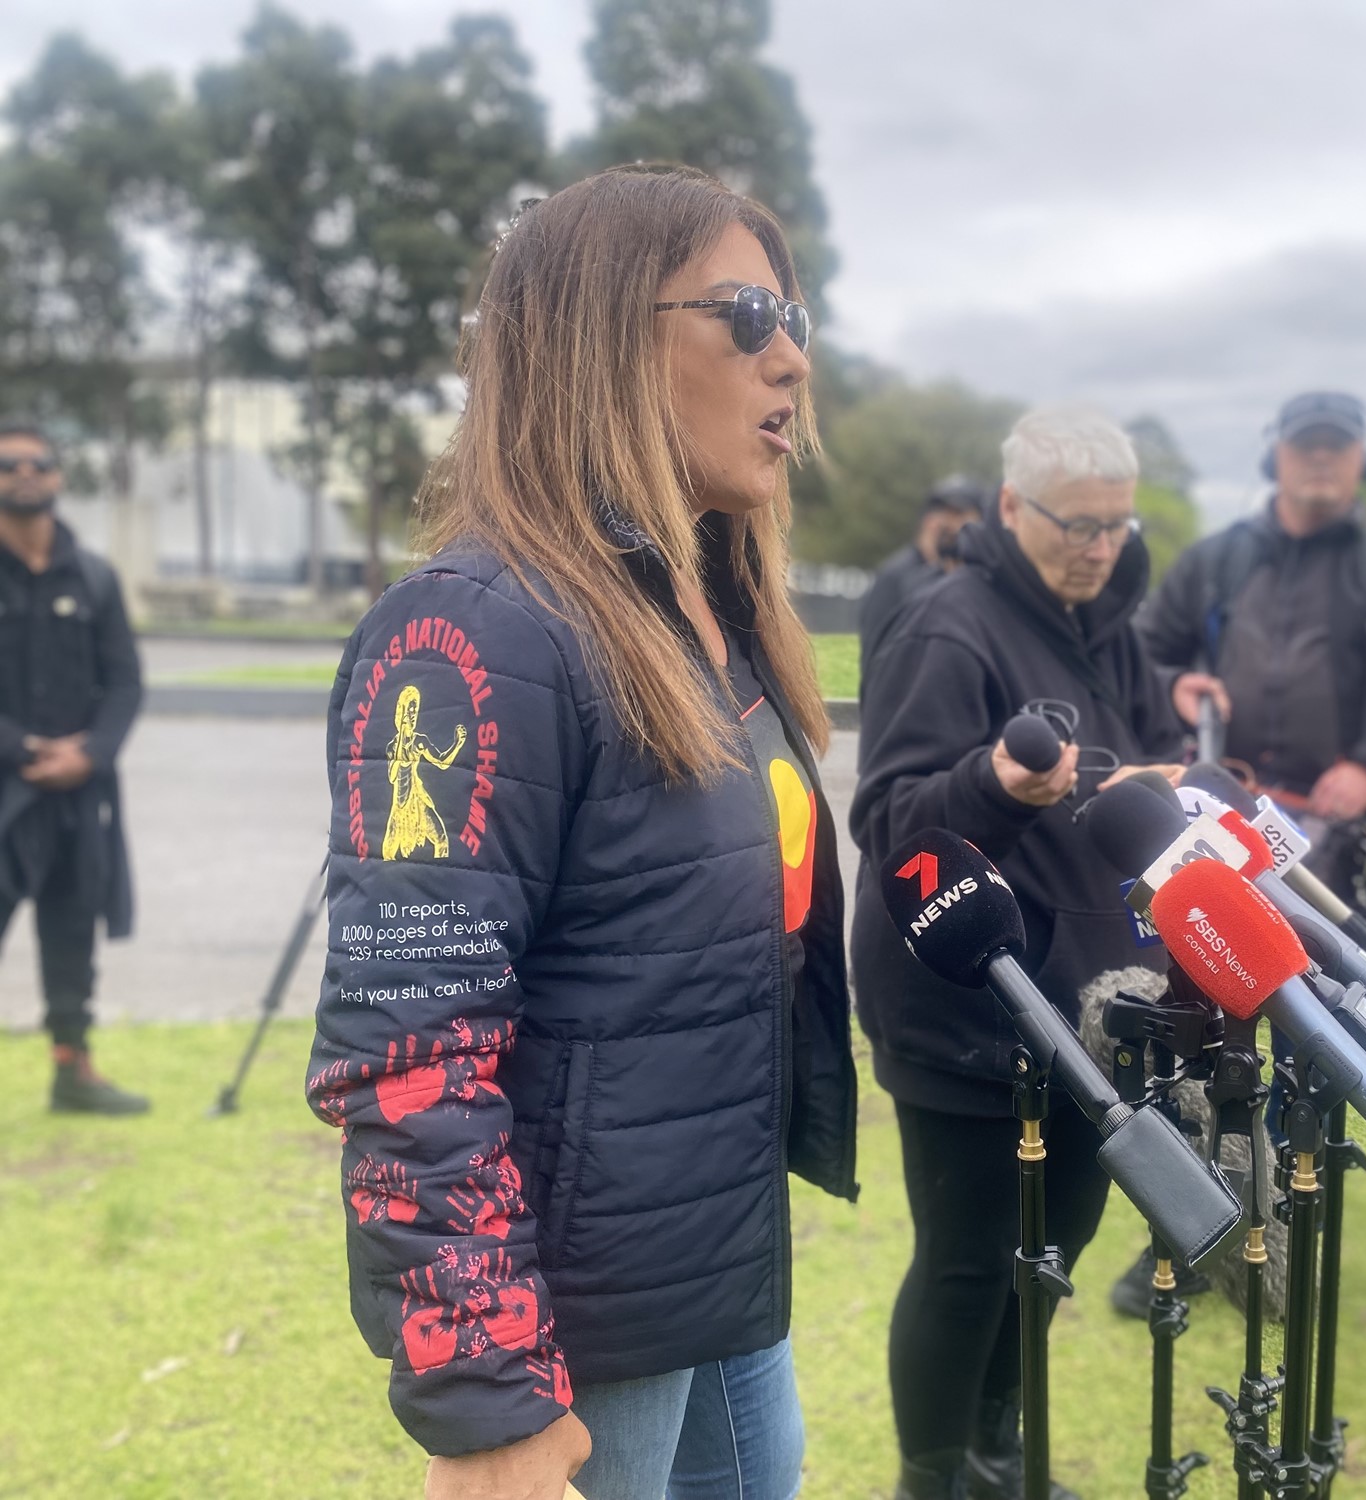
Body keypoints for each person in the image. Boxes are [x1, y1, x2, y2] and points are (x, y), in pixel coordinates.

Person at [304, 165, 857, 1500]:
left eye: (796, 316)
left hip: (711, 1263)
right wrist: (485, 1393)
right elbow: (409, 1056)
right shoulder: (476, 633)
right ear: (602, 336)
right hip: (577, 1310)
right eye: (746, 313)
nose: (791, 357)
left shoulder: (711, 624)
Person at [850, 406, 1191, 1500]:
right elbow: (891, 820)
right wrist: (993, 788)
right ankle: (933, 1476)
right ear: (1009, 508)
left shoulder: (1113, 627)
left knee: (1061, 1242)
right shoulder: (947, 627)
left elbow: (1130, 771)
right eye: (1074, 526)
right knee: (967, 1261)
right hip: (966, 1000)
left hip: (1092, 1008)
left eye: (1115, 527)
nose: (1099, 549)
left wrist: (1160, 787)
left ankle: (996, 1450)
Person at [1133, 389, 1366, 1309]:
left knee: (1316, 1040)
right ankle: (1194, 1213)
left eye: (1338, 447)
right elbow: (1141, 657)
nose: (1320, 462)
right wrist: (1175, 684)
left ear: (1365, 459)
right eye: (1304, 446)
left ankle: (1290, 1213)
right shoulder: (1215, 565)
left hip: (1329, 856)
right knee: (1199, 1036)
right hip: (1212, 840)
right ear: (1274, 454)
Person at [0, 418, 146, 1115]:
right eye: (9, 466)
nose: (25, 473)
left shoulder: (93, 576)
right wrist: (25, 750)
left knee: (70, 935)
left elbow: (125, 683)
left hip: (78, 794)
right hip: (8, 788)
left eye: (39, 463)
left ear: (58, 477)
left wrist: (89, 753)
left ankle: (73, 1070)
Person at [857, 475, 987, 672]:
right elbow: (876, 659)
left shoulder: (976, 576)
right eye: (941, 511)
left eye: (958, 513)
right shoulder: (896, 577)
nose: (947, 521)